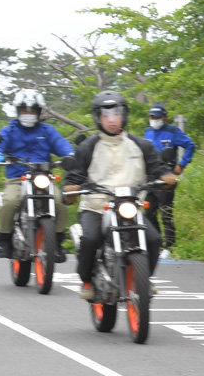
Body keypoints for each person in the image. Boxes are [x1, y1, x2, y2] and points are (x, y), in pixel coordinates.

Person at [62, 91, 176, 302]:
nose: (112, 119)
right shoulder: (88, 146)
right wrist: (70, 189)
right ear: (98, 118)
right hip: (96, 206)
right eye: (106, 115)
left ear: (124, 115)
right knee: (90, 239)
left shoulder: (140, 145)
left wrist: (167, 176)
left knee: (154, 239)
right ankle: (86, 280)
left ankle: (144, 279)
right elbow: (74, 176)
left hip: (130, 205)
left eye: (116, 113)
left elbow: (157, 167)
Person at [0, 89, 74, 261]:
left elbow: (62, 144)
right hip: (17, 179)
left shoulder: (47, 131)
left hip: (43, 177)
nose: (28, 114)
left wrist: (70, 155)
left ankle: (57, 242)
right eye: (24, 110)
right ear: (18, 111)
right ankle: (4, 239)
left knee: (60, 202)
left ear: (39, 112)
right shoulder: (9, 130)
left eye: (32, 110)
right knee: (10, 202)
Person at [141, 103, 196, 251]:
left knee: (165, 212)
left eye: (157, 117)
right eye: (152, 117)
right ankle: (156, 243)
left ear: (165, 118)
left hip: (167, 177)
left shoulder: (172, 131)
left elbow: (190, 145)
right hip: (150, 177)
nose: (154, 119)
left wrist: (182, 165)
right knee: (149, 211)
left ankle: (169, 246)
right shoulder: (147, 132)